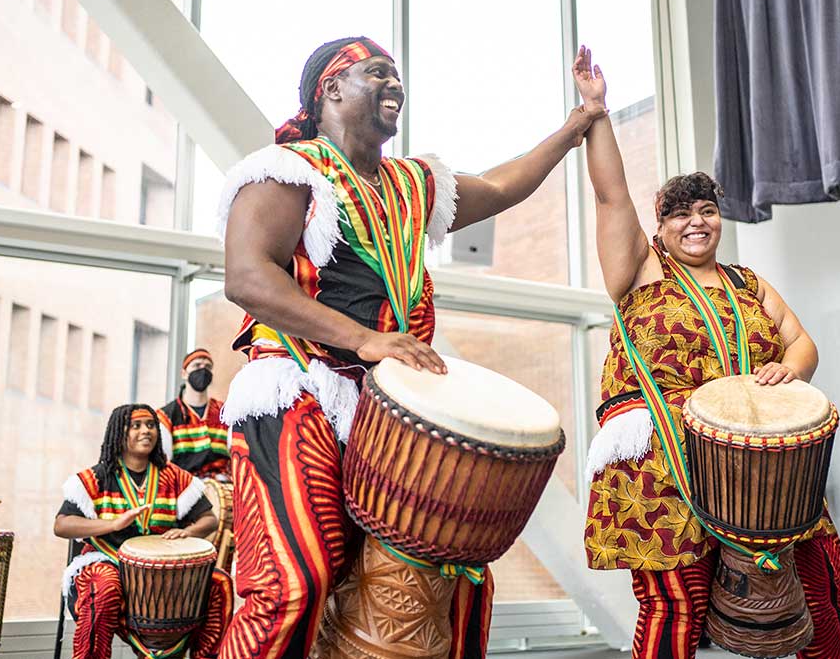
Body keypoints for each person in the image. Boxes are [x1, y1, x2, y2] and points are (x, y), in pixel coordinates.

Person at [217, 36, 605, 659]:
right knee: (293, 583)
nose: (395, 84)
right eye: (377, 73)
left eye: (397, 75)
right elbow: (249, 278)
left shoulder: (411, 182)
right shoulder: (287, 170)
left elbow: (503, 187)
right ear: (331, 89)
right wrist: (368, 340)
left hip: (384, 404)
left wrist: (579, 122)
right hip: (297, 389)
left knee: (455, 576)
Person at [573, 47, 840, 658]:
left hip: (753, 456)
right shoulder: (641, 272)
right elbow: (609, 192)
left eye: (707, 211)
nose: (696, 223)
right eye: (680, 215)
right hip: (661, 452)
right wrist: (597, 114)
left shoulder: (749, 283)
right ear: (661, 227)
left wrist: (790, 368)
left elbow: (801, 340)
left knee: (818, 583)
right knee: (675, 600)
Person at [54, 404, 232, 659]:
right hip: (108, 559)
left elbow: (209, 520)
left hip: (163, 569)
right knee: (103, 587)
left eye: (150, 425)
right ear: (119, 433)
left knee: (220, 582)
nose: (145, 431)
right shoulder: (98, 477)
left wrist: (189, 532)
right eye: (136, 426)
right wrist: (112, 525)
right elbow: (62, 524)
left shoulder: (174, 477)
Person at [157, 348, 230, 479]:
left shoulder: (225, 412)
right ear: (184, 373)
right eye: (197, 365)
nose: (203, 370)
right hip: (183, 486)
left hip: (221, 485)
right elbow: (163, 463)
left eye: (208, 366)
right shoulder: (166, 416)